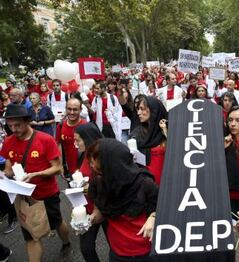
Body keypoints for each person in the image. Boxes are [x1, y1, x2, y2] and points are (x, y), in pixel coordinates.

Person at [0, 104, 70, 262]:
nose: (14, 129)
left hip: (47, 194)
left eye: (17, 125)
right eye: (10, 126)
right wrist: (5, 175)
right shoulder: (8, 140)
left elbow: (58, 168)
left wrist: (36, 174)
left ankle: (66, 243)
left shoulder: (45, 140)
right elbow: (9, 167)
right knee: (31, 236)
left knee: (57, 223)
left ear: (27, 121)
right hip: (23, 196)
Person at [86, 139, 158, 261]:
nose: (91, 165)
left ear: (109, 162)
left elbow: (163, 209)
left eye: (93, 161)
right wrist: (90, 219)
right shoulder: (98, 183)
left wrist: (153, 217)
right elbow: (99, 213)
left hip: (146, 251)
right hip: (117, 253)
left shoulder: (144, 183)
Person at [74, 122, 106, 262]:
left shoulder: (103, 157)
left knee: (116, 245)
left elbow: (110, 184)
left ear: (87, 139)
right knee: (86, 248)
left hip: (105, 208)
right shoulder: (84, 154)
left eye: (77, 140)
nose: (75, 144)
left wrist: (91, 188)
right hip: (88, 209)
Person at [130, 96, 168, 185]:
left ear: (153, 109)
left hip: (169, 182)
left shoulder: (167, 128)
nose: (139, 113)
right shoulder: (137, 134)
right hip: (149, 184)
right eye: (138, 109)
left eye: (142, 109)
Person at [56, 98, 87, 178]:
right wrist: (61, 165)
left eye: (75, 110)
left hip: (84, 170)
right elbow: (58, 145)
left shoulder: (86, 126)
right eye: (69, 109)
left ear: (80, 110)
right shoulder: (61, 125)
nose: (72, 112)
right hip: (68, 169)